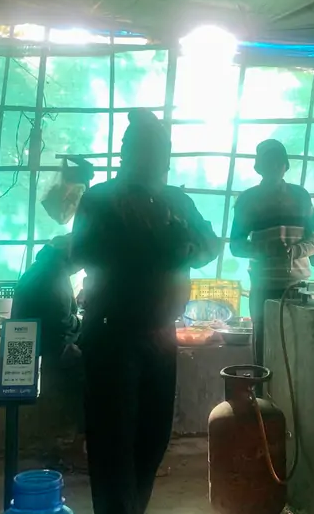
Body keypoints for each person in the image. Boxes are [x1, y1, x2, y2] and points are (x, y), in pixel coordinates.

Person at [70, 109, 221, 514]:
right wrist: (155, 246)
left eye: (163, 149)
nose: (159, 157)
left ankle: (133, 508)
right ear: (127, 152)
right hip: (111, 332)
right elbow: (82, 252)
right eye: (146, 147)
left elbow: (211, 245)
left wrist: (185, 245)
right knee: (112, 440)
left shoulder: (177, 200)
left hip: (161, 334)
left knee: (153, 438)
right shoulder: (101, 197)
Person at [229, 139, 314, 369]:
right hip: (264, 289)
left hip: (298, 289)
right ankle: (263, 402)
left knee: (298, 355)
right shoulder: (247, 200)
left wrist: (297, 250)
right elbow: (236, 244)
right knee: (264, 354)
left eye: (277, 162)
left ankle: (288, 404)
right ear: (258, 167)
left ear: (285, 165)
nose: (273, 167)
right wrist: (264, 250)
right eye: (267, 162)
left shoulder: (301, 196)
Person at [11, 234, 87, 470]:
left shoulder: (41, 269)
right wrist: (82, 321)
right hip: (47, 353)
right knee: (96, 378)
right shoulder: (54, 277)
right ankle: (69, 448)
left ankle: (57, 447)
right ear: (71, 256)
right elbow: (60, 324)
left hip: (27, 348)